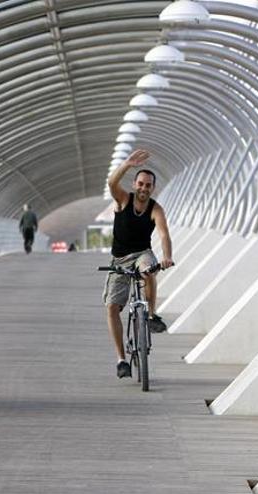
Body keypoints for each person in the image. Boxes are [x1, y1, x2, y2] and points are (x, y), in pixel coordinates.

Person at [103, 149, 174, 379]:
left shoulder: (155, 209)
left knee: (149, 271)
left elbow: (163, 234)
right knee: (112, 307)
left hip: (142, 253)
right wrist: (127, 164)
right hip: (120, 258)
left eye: (148, 185)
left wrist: (167, 256)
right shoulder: (124, 199)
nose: (144, 188)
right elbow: (112, 182)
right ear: (134, 184)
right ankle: (122, 359)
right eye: (141, 184)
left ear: (153, 188)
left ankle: (151, 315)